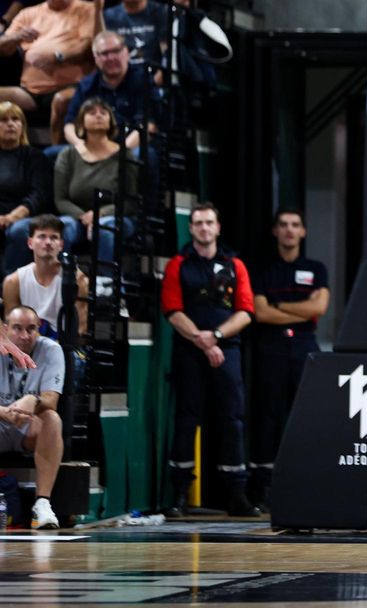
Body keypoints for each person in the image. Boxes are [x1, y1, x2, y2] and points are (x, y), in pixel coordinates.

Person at [161, 202, 258, 517]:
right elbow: (173, 311)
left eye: (209, 223)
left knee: (232, 420)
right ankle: (179, 493)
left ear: (218, 227)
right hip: (189, 351)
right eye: (198, 223)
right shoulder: (178, 264)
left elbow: (245, 312)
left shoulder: (235, 265)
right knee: (187, 420)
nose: (204, 228)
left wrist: (215, 337)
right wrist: (202, 342)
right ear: (190, 228)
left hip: (227, 350)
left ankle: (237, 495)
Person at [248, 207, 328, 512]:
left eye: (295, 225)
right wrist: (298, 308)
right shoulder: (263, 269)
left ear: (303, 231)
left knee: (306, 415)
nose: (290, 230)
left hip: (305, 348)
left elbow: (318, 308)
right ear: (275, 231)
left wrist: (278, 305)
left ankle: (308, 482)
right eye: (283, 225)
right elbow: (261, 312)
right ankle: (264, 488)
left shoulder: (316, 268)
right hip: (270, 348)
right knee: (268, 416)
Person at [0, 0, 95, 143]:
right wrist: (15, 37)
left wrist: (58, 57)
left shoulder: (88, 9)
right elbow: (3, 49)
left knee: (60, 100)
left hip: (70, 86)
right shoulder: (29, 14)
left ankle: (55, 156)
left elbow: (88, 47)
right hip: (30, 90)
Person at [0, 304, 65, 529]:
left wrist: (32, 401)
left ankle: (42, 504)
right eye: (17, 328)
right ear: (5, 329)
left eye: (31, 329)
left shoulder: (51, 350)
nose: (24, 335)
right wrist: (4, 412)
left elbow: (51, 400)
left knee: (52, 419)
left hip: (28, 427)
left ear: (39, 330)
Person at [53, 98, 137, 263]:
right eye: (92, 113)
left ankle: (104, 283)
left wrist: (99, 214)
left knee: (103, 228)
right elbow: (60, 199)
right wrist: (83, 216)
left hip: (115, 216)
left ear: (111, 121)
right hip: (77, 216)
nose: (98, 116)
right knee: (61, 227)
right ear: (81, 122)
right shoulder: (68, 154)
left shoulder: (124, 155)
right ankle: (61, 279)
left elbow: (130, 201)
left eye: (103, 113)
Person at [62, 31, 154, 152]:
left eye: (116, 51)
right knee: (50, 154)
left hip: (129, 146)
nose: (111, 58)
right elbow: (69, 124)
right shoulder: (86, 86)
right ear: (96, 58)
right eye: (104, 53)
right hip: (92, 146)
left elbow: (149, 125)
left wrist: (120, 151)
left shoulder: (143, 81)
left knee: (143, 156)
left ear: (126, 52)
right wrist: (81, 145)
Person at [2, 214, 86, 339]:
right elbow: (10, 328)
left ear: (61, 245)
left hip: (63, 346)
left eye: (54, 237)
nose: (48, 242)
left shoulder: (77, 279)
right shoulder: (13, 281)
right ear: (30, 243)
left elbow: (81, 328)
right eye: (42, 236)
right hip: (25, 345)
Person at [0, 102, 50, 274]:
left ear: (23, 126)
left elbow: (39, 195)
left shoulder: (35, 157)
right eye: (4, 120)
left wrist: (12, 216)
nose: (11, 124)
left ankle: (10, 288)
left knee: (18, 230)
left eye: (16, 119)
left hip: (24, 217)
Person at [93, 0, 168, 72]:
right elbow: (99, 48)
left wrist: (160, 76)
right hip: (121, 78)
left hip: (154, 77)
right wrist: (98, 8)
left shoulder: (161, 12)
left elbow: (167, 52)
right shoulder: (108, 15)